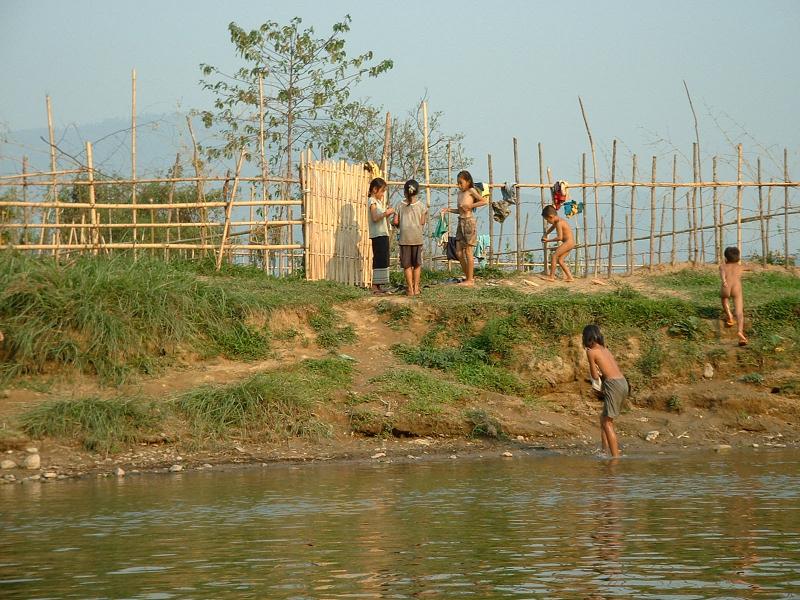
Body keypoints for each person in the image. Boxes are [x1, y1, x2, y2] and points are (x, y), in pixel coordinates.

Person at [583, 324, 628, 458]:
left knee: (607, 422)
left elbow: (595, 375)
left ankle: (615, 458)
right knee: (604, 419)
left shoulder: (591, 352)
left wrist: (595, 378)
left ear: (587, 338)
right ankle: (604, 451)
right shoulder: (605, 349)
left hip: (613, 384)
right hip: (622, 382)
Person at [441, 170, 488, 286]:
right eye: (458, 183)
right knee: (458, 252)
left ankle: (470, 280)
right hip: (460, 222)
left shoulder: (471, 191)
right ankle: (468, 276)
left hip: (469, 222)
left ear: (467, 181)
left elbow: (484, 201)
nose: (459, 185)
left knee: (468, 251)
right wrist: (449, 210)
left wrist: (470, 205)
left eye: (461, 182)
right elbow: (460, 210)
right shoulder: (459, 193)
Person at [393, 179, 427, 296]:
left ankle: (410, 289)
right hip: (417, 238)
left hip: (404, 239)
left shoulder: (399, 205)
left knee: (407, 265)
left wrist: (397, 224)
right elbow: (422, 222)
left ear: (405, 192)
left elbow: (396, 221)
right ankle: (417, 288)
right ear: (417, 192)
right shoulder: (422, 206)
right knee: (417, 264)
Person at [367, 177, 394, 294]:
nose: (383, 194)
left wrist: (386, 214)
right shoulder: (372, 201)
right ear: (374, 189)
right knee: (378, 258)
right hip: (378, 234)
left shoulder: (378, 202)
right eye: (382, 191)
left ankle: (378, 285)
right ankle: (374, 286)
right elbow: (375, 217)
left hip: (382, 232)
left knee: (383, 258)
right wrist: (385, 213)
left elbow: (380, 217)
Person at [720, 246, 748, 346]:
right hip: (737, 288)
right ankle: (740, 332)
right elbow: (750, 268)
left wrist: (724, 281)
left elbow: (722, 274)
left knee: (724, 299)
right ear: (738, 258)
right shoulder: (740, 266)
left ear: (725, 258)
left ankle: (729, 316)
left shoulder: (723, 266)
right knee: (739, 312)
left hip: (726, 286)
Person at [540, 205, 575, 282]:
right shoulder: (557, 221)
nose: (548, 222)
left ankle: (551, 276)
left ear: (551, 216)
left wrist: (548, 240)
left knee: (554, 256)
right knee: (560, 260)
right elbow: (552, 227)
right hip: (571, 242)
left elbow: (560, 237)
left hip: (568, 242)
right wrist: (546, 234)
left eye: (547, 220)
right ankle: (570, 277)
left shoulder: (559, 222)